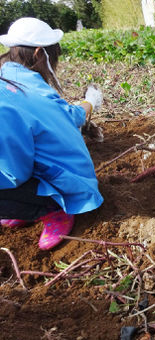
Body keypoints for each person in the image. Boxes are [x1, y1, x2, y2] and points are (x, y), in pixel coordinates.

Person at [0, 17, 104, 250]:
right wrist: (89, 103)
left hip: (66, 184)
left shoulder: (11, 83)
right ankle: (27, 207)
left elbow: (15, 172)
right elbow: (70, 115)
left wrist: (89, 103)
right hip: (68, 174)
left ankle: (51, 209)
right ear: (39, 54)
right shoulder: (26, 83)